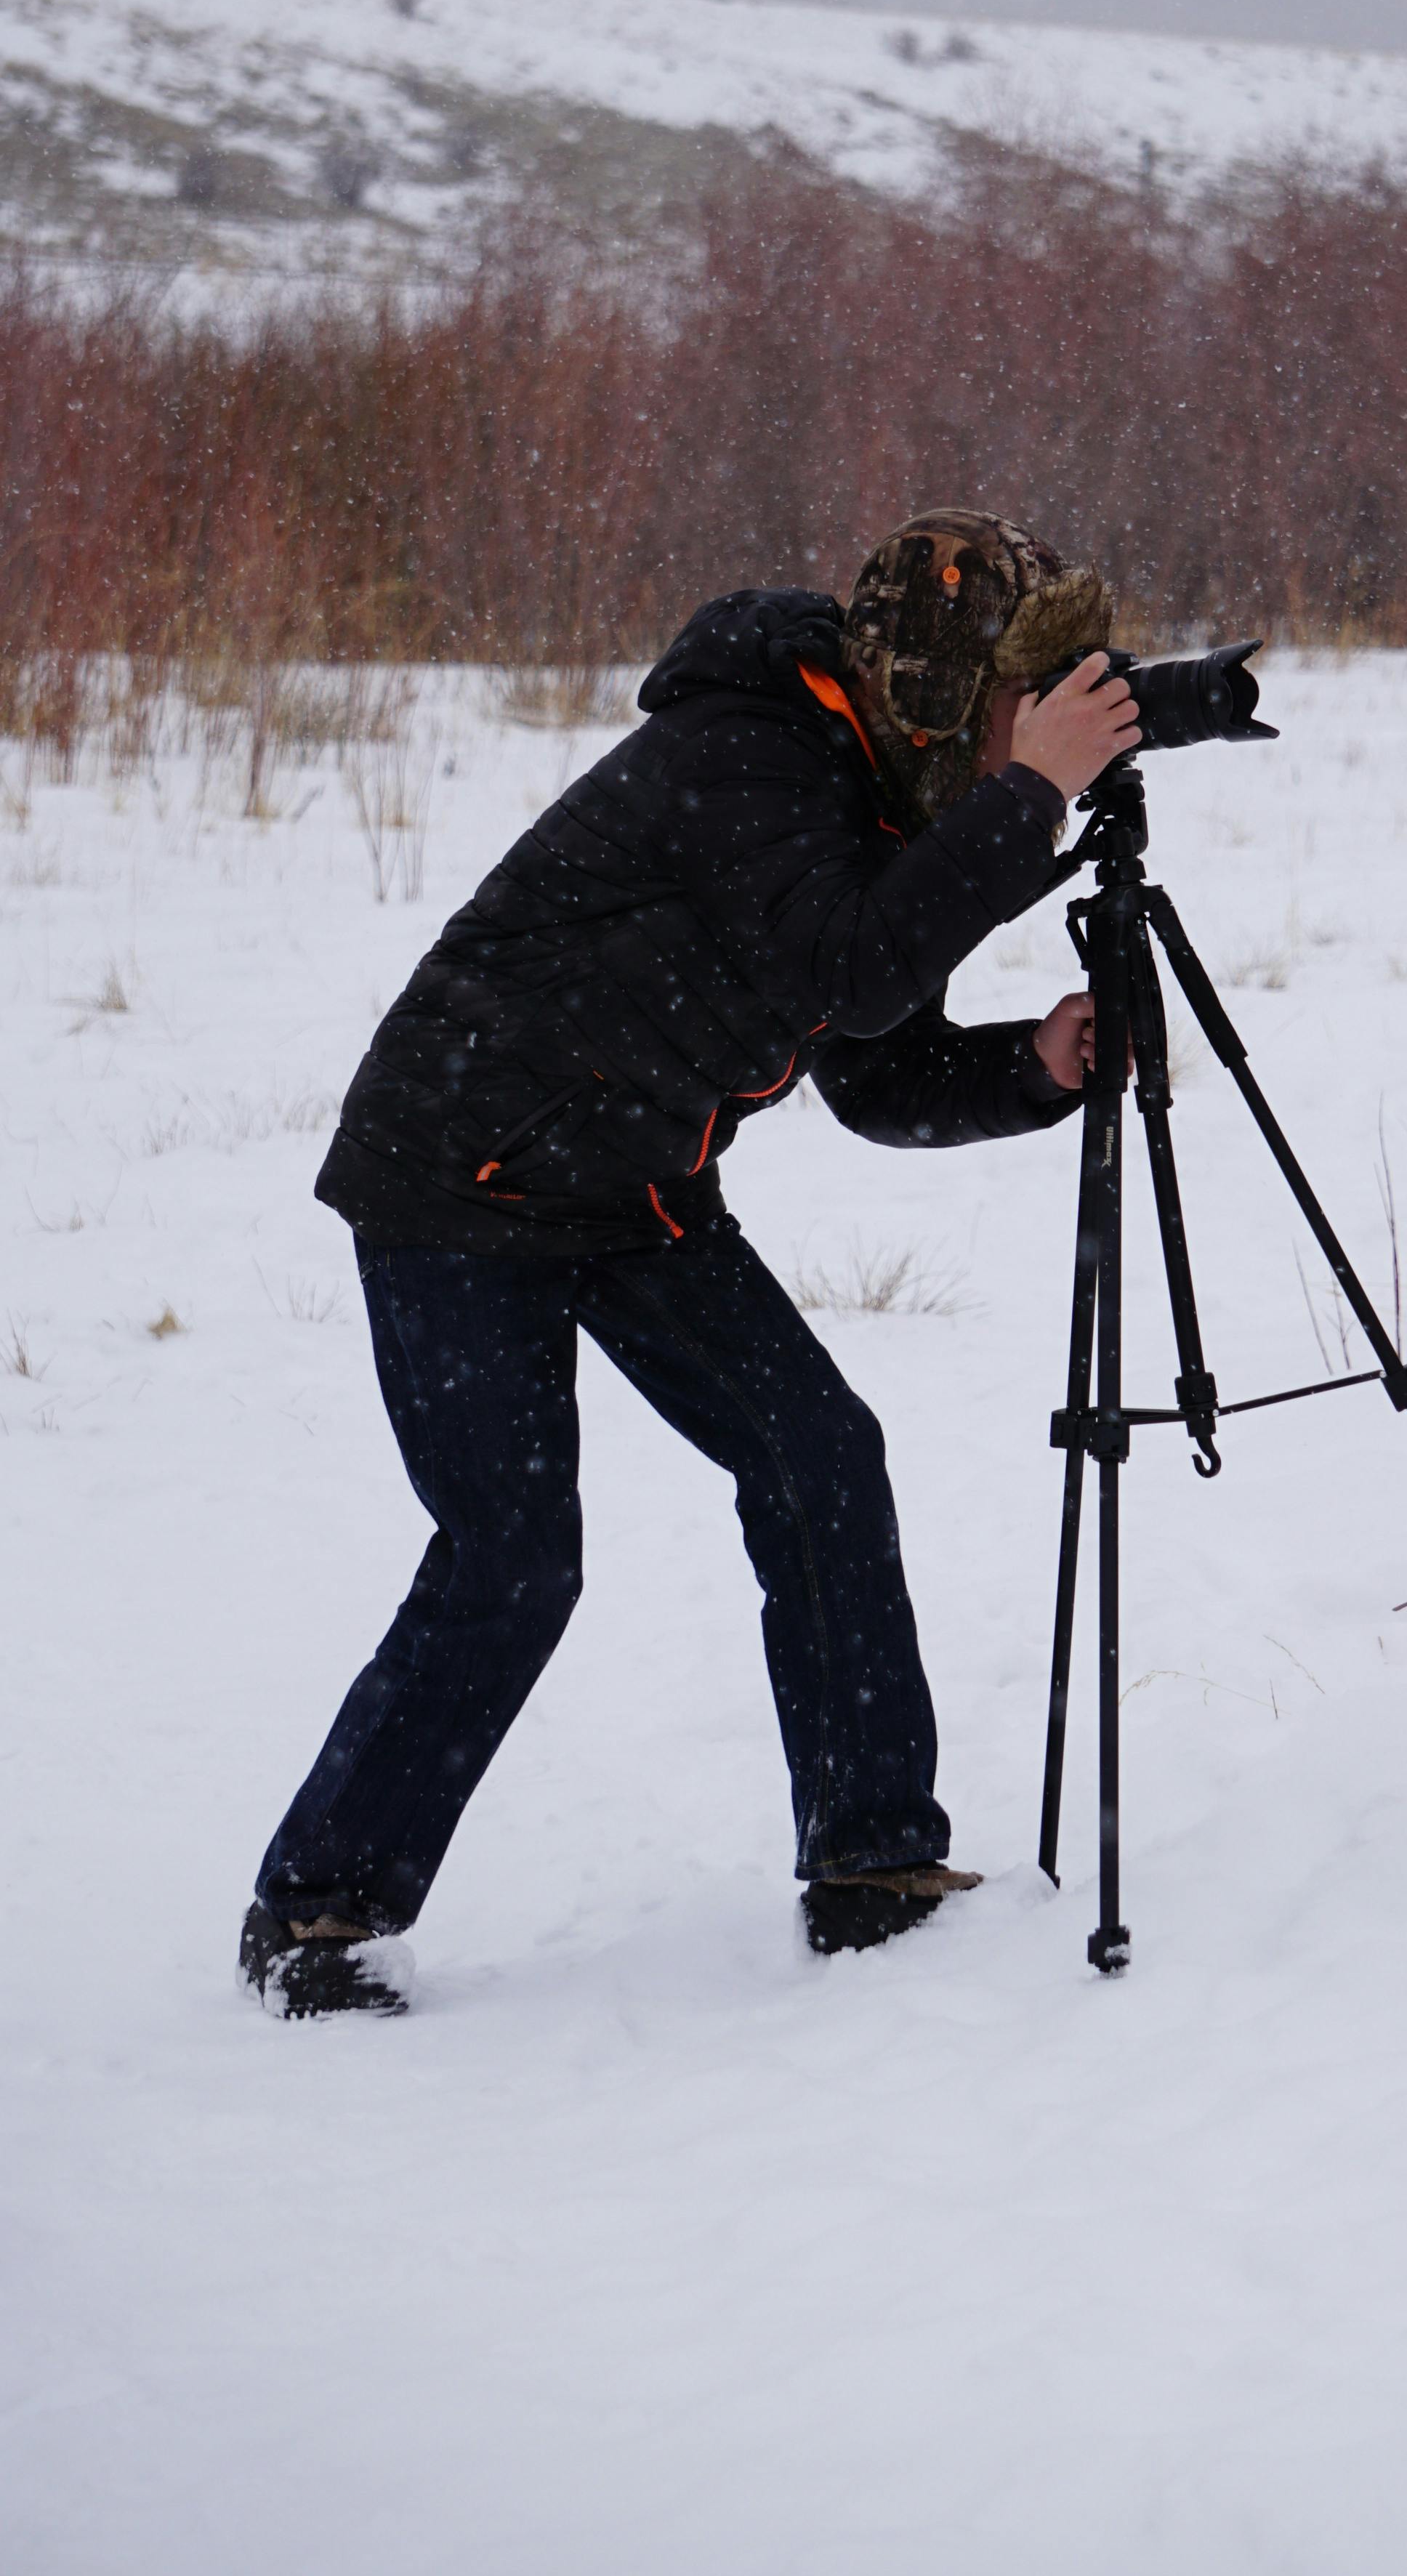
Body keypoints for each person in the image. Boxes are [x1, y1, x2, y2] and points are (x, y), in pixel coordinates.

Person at [238, 513, 1139, 2018]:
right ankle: (316, 1912)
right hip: (459, 1171)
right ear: (937, 679)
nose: (1021, 736)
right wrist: (1035, 793)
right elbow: (852, 966)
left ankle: (873, 1866)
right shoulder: (757, 754)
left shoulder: (880, 790)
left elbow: (873, 1061)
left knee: (818, 1452)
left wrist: (1038, 1067)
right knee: (514, 1553)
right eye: (1013, 701)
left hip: (632, 1185)